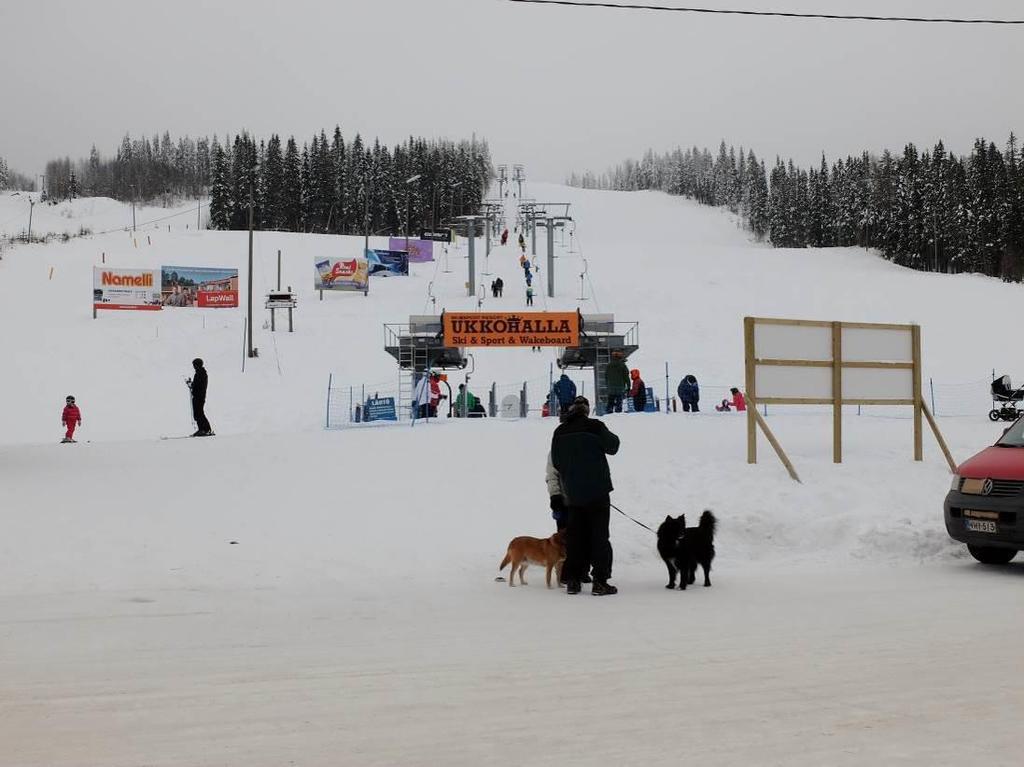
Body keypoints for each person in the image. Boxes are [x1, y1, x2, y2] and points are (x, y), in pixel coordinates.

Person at [551, 396, 620, 595]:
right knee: (599, 537)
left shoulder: (560, 431)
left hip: (572, 494)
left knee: (575, 538)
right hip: (597, 492)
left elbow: (556, 461)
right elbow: (613, 446)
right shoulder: (595, 426)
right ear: (586, 411)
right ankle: (600, 581)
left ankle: (573, 580)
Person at [188, 358, 214, 436]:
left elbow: (198, 385)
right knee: (198, 413)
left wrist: (191, 385)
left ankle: (204, 429)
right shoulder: (200, 373)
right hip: (198, 396)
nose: (193, 367)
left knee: (199, 413)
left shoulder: (200, 373)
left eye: (194, 365)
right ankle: (204, 429)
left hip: (199, 396)